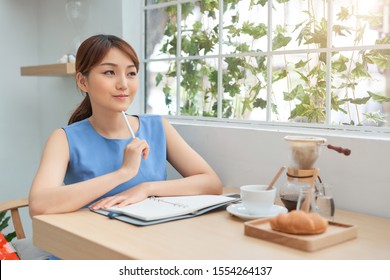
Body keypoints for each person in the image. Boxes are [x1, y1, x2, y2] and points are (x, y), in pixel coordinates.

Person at [28, 34, 223, 216]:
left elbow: (211, 183)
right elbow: (39, 205)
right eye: (110, 72)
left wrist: (147, 188)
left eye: (131, 73)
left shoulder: (157, 127)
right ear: (82, 81)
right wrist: (124, 173)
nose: (123, 84)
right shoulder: (63, 139)